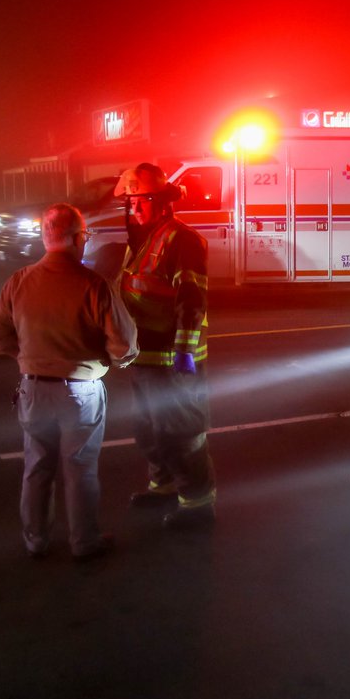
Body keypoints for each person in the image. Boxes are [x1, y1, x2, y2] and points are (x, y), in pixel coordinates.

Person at [0, 203, 138, 560]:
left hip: (33, 388)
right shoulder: (94, 285)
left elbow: (0, 337)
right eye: (84, 235)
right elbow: (125, 345)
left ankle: (35, 539)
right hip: (81, 391)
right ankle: (83, 542)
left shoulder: (19, 281)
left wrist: (31, 359)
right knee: (80, 469)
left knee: (37, 466)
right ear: (76, 238)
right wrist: (107, 362)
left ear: (46, 237)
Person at [119, 162, 217, 529]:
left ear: (159, 200)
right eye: (130, 202)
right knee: (149, 430)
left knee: (183, 433)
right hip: (143, 359)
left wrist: (185, 354)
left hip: (173, 361)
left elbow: (191, 301)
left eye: (139, 200)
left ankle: (198, 503)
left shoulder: (183, 240)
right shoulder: (145, 238)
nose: (133, 208)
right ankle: (161, 486)